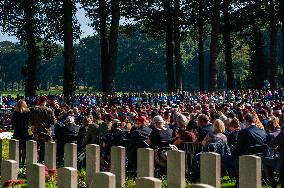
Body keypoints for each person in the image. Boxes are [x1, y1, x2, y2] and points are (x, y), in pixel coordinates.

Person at [29, 96, 56, 163]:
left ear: (39, 101)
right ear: (45, 102)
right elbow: (53, 122)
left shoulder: (34, 110)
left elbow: (30, 122)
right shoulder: (49, 110)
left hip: (36, 132)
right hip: (46, 132)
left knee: (36, 149)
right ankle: (46, 163)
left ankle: (36, 163)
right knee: (47, 149)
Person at [12, 100, 31, 167]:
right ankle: (23, 163)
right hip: (25, 132)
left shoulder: (15, 113)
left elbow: (13, 124)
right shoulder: (28, 112)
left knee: (18, 148)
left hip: (17, 132)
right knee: (24, 148)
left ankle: (19, 163)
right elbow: (29, 122)